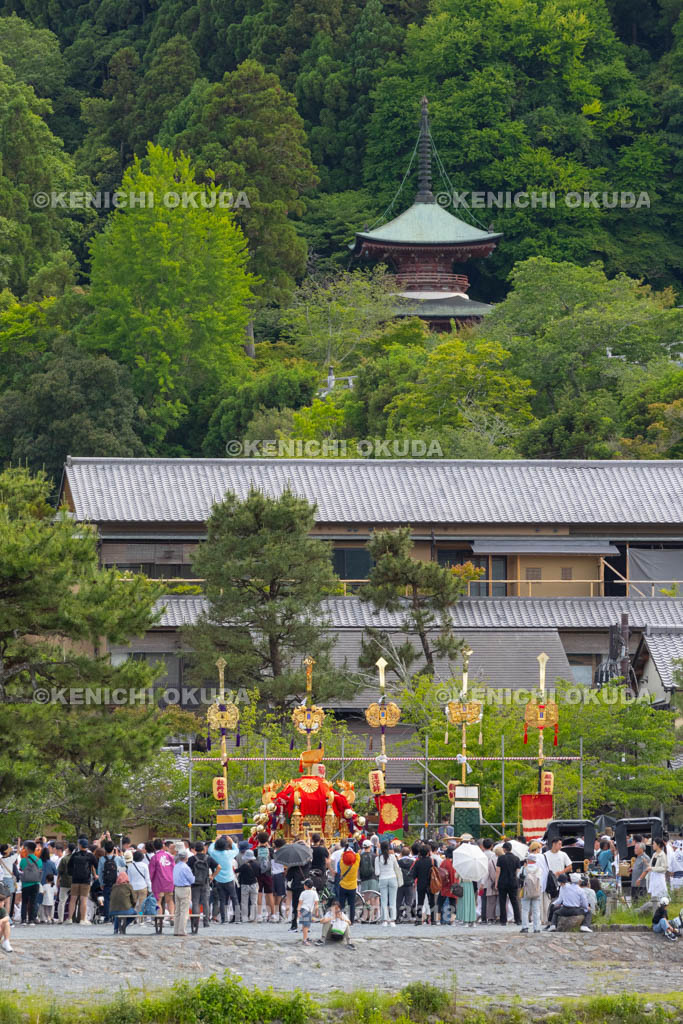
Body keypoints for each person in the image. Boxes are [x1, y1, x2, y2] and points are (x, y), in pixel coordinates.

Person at [208, 836, 240, 923]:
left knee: (222, 899)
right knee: (234, 898)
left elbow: (210, 849)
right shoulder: (229, 853)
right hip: (229, 879)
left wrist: (215, 840)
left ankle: (224, 919)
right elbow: (237, 850)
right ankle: (237, 918)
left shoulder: (214, 853)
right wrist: (231, 841)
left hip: (219, 879)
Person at [188, 841, 216, 929]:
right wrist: (212, 876)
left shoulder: (192, 859)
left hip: (195, 883)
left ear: (195, 849)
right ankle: (206, 922)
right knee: (205, 902)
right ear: (204, 849)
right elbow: (219, 867)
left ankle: (195, 923)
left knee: (195, 902)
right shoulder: (208, 858)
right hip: (205, 882)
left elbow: (187, 869)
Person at [149, 839, 175, 926]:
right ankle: (172, 917)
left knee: (158, 902)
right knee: (170, 900)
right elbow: (174, 868)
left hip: (158, 882)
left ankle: (159, 919)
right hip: (169, 881)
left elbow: (151, 872)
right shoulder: (170, 856)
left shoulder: (154, 857)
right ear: (163, 846)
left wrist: (151, 881)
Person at [495, 841, 521, 926]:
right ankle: (518, 920)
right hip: (513, 882)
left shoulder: (501, 858)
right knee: (514, 901)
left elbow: (498, 871)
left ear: (504, 849)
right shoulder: (516, 858)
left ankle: (503, 920)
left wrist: (496, 882)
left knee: (502, 901)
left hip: (502, 882)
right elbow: (518, 872)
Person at [410, 844, 436, 926]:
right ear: (428, 852)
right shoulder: (432, 861)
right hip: (430, 884)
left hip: (421, 884)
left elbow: (414, 875)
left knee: (420, 902)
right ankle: (433, 920)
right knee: (431, 902)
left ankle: (418, 920)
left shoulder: (418, 862)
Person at [98, 840, 124, 922]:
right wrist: (121, 855)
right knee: (115, 900)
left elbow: (100, 872)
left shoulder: (102, 859)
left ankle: (107, 917)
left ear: (105, 849)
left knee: (107, 900)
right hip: (115, 883)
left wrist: (101, 883)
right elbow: (124, 865)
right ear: (113, 849)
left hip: (106, 883)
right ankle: (115, 917)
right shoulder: (117, 858)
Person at [375, 840, 400, 927]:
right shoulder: (393, 857)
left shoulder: (377, 858)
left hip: (382, 879)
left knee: (384, 900)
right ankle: (393, 920)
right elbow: (397, 867)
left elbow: (377, 872)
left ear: (380, 848)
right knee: (393, 900)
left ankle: (385, 919)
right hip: (392, 878)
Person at [19, 841, 43, 926]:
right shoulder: (39, 860)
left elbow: (21, 869)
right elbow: (40, 869)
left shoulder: (23, 860)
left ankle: (23, 920)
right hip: (36, 883)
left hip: (25, 884)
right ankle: (31, 920)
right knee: (33, 901)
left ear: (27, 849)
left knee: (24, 902)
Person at [254, 833, 276, 923]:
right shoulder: (270, 850)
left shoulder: (255, 851)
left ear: (258, 840)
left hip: (258, 874)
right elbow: (274, 859)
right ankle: (273, 915)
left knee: (259, 894)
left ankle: (259, 915)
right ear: (267, 840)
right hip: (268, 874)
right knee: (270, 894)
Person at [173, 849, 195, 936]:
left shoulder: (176, 866)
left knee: (177, 911)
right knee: (184, 911)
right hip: (185, 889)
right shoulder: (186, 867)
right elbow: (192, 880)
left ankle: (176, 930)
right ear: (186, 858)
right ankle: (182, 931)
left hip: (177, 888)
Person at [519, 853, 543, 933]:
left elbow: (518, 876)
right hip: (536, 891)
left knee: (525, 910)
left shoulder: (523, 869)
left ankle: (525, 927)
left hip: (526, 891)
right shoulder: (539, 869)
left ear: (528, 860)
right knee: (536, 910)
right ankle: (537, 928)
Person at [338, 844, 361, 925]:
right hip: (352, 887)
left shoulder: (342, 864)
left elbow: (342, 856)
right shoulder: (356, 865)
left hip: (343, 886)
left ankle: (341, 919)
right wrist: (355, 844)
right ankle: (351, 920)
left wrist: (345, 849)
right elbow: (358, 855)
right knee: (352, 905)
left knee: (341, 904)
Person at [238, 848, 259, 923]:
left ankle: (245, 917)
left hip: (245, 885)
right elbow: (258, 874)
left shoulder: (244, 866)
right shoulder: (257, 864)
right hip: (254, 884)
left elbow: (236, 871)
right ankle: (253, 917)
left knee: (244, 902)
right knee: (254, 902)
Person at [128, 849, 152, 916]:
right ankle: (140, 917)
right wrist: (150, 888)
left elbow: (129, 879)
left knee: (133, 904)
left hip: (133, 887)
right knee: (142, 905)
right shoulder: (144, 865)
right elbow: (147, 878)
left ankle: (132, 918)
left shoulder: (130, 866)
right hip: (142, 887)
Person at [437, 847, 456, 925]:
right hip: (452, 884)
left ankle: (437, 920)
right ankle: (452, 920)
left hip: (444, 885)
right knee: (453, 903)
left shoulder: (444, 862)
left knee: (439, 902)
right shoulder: (454, 863)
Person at [396, 846, 416, 922]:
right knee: (409, 901)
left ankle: (397, 917)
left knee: (398, 901)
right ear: (409, 853)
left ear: (401, 853)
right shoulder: (413, 861)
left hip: (400, 883)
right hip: (410, 883)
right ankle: (407, 917)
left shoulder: (398, 862)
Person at [481, 838, 498, 924]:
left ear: (483, 846)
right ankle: (493, 917)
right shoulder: (494, 855)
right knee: (493, 900)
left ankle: (484, 918)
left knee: (483, 900)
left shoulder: (480, 855)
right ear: (492, 846)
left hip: (482, 880)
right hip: (492, 880)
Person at [297, 878, 318, 946]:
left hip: (303, 910)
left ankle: (305, 938)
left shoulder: (303, 893)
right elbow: (316, 904)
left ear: (305, 886)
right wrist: (316, 912)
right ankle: (305, 940)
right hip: (307, 911)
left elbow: (300, 903)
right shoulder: (314, 893)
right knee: (306, 926)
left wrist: (298, 911)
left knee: (304, 925)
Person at [271, 838, 287, 919]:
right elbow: (286, 866)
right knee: (279, 895)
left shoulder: (271, 853)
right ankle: (278, 913)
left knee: (273, 895)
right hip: (280, 875)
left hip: (272, 875)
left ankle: (273, 913)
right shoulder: (283, 854)